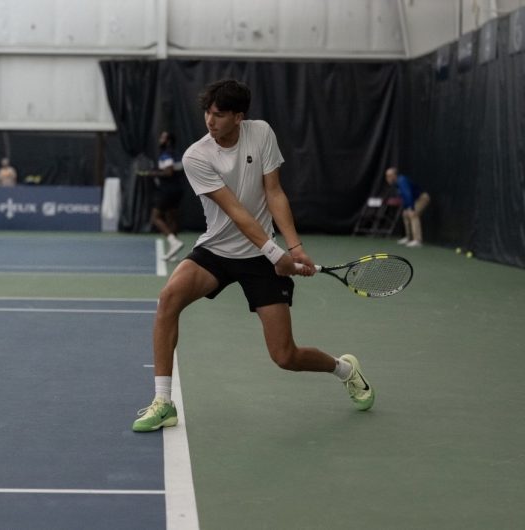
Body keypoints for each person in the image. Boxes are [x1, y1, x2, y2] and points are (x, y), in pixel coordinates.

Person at [132, 79, 374, 432]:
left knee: (285, 356)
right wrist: (277, 253)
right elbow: (235, 212)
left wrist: (294, 247)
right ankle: (163, 402)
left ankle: (345, 369)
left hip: (259, 259)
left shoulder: (260, 133)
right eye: (207, 114)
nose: (209, 122)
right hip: (217, 249)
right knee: (168, 299)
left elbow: (274, 192)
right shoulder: (196, 155)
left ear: (238, 117)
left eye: (218, 115)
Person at [143, 131, 186, 260]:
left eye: (162, 138)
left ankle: (173, 241)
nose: (160, 140)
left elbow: (168, 172)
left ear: (168, 141)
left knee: (155, 218)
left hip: (167, 190)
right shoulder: (178, 154)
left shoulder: (166, 155)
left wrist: (154, 174)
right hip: (178, 190)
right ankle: (174, 253)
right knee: (171, 218)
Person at [385, 167, 430, 247]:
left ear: (394, 175)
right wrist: (406, 208)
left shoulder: (402, 181)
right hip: (414, 200)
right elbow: (404, 197)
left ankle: (417, 240)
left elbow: (408, 194)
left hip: (422, 198)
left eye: (389, 175)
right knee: (405, 214)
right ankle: (409, 238)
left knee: (413, 214)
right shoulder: (396, 183)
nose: (387, 178)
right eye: (387, 176)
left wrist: (411, 207)